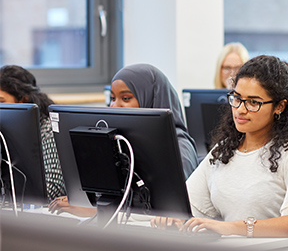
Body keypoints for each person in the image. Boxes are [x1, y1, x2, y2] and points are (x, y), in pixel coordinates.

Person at [152, 55, 288, 238]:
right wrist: (173, 218)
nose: (240, 109)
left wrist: (233, 227)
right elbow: (187, 206)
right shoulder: (224, 150)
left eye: (253, 102)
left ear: (279, 106)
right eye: (237, 98)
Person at [49, 63, 199, 217]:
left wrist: (95, 212)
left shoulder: (180, 148)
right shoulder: (120, 144)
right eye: (112, 98)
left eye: (126, 98)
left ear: (149, 97)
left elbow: (174, 213)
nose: (115, 106)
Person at [0, 65, 66, 201]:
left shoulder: (47, 131)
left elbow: (53, 189)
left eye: (1, 102)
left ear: (23, 100)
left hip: (35, 213)